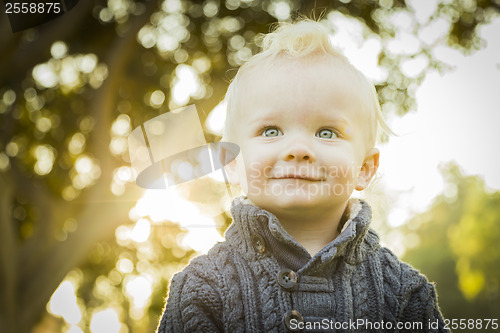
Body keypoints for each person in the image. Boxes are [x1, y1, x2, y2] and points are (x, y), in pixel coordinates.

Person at [157, 19, 448, 332]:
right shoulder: (203, 289)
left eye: (326, 132)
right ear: (231, 160)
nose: (297, 149)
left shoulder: (405, 294)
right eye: (271, 131)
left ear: (364, 168)